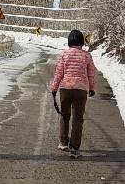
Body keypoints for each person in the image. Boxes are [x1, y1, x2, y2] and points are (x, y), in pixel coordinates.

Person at [50, 29, 96, 159]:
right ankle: (74, 148)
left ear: (69, 41)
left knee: (65, 116)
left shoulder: (64, 55)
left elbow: (59, 73)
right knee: (78, 119)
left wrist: (54, 88)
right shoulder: (87, 56)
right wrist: (92, 88)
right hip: (81, 91)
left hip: (66, 89)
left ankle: (63, 142)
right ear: (81, 41)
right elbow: (91, 74)